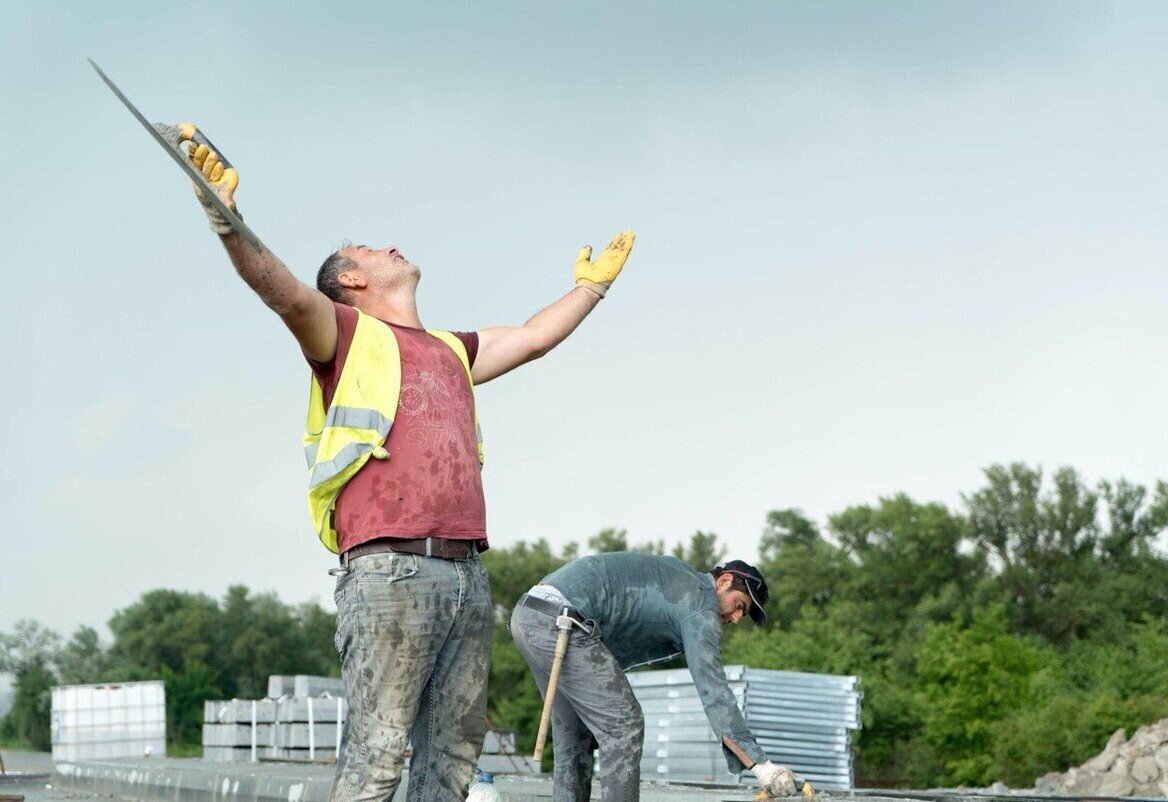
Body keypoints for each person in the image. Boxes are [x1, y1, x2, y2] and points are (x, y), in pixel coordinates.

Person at [158, 122, 636, 802]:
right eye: (369, 248)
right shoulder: (344, 331)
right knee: (379, 758)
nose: (389, 245)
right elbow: (284, 293)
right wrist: (226, 218)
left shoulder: (448, 348)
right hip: (391, 571)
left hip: (467, 576)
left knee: (449, 765)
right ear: (351, 279)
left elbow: (530, 338)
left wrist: (590, 290)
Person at [509, 553, 805, 800]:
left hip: (531, 615)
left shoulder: (676, 581)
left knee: (575, 739)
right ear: (724, 581)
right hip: (562, 621)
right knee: (624, 725)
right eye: (740, 605)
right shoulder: (700, 601)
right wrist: (760, 764)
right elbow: (713, 687)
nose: (737, 618)